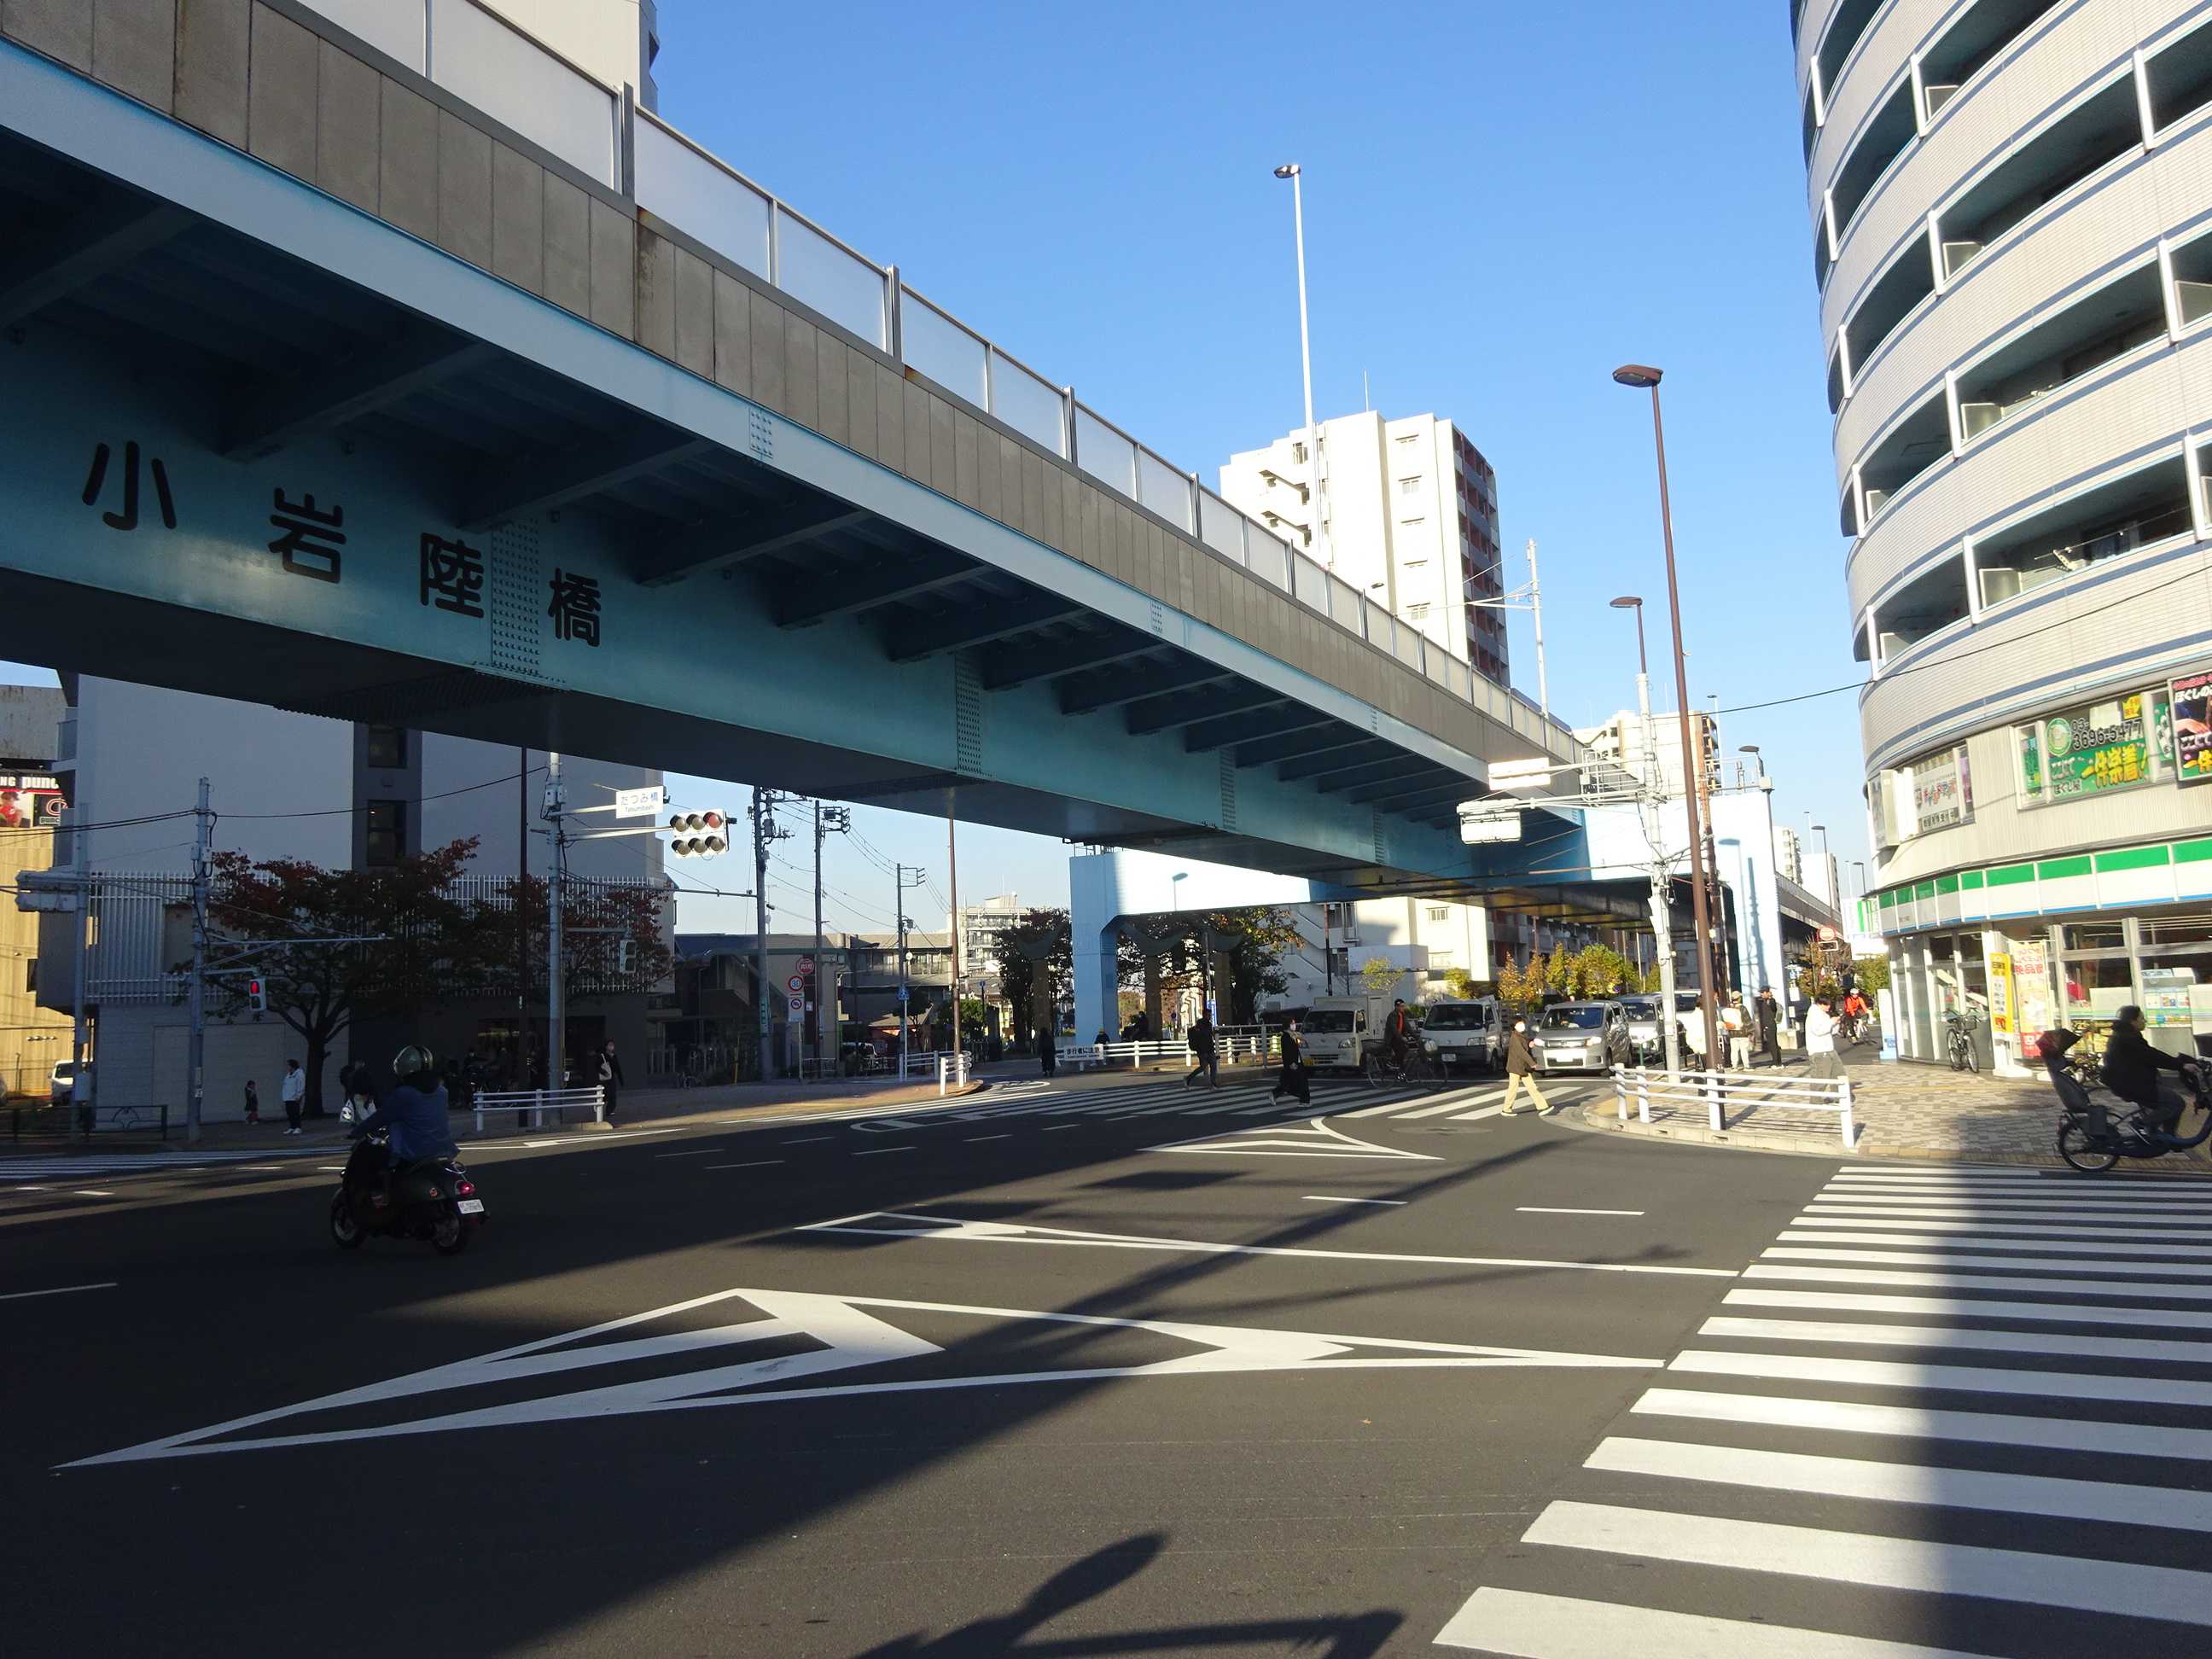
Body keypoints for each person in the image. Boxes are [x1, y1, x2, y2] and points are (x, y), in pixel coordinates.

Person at [356, 1045, 458, 1186]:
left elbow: (381, 1117)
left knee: (379, 1165)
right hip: (443, 1149)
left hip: (412, 1151)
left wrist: (357, 1131)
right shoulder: (442, 1092)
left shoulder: (403, 1094)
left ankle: (382, 1197)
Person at [2104, 1004, 2197, 1135]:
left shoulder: (2123, 1035)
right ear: (2133, 1021)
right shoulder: (2128, 1039)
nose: (2145, 1021)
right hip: (2134, 1085)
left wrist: (2179, 1063)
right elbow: (2153, 1056)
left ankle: (2159, 1138)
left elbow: (2151, 1054)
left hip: (2128, 1083)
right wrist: (2180, 1065)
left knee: (2165, 1104)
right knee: (2176, 1103)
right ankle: (2145, 1126)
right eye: (2141, 1018)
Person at [1499, 1018, 1555, 1116]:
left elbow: (1524, 1047)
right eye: (1519, 1024)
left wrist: (1530, 1044)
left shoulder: (1520, 1036)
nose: (1522, 1025)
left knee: (1531, 1087)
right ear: (1514, 1026)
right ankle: (1506, 1109)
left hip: (1522, 1066)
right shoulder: (1514, 1037)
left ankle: (1542, 1107)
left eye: (1522, 1023)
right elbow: (1521, 1053)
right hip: (1516, 1067)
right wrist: (1532, 1063)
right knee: (1514, 1088)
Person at [1269, 1020, 1310, 1104]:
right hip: (1292, 1063)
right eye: (1292, 1023)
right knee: (1295, 1082)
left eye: (1294, 1023)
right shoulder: (1286, 1037)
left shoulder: (1294, 1036)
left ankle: (1275, 1093)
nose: (1294, 1025)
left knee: (1293, 1082)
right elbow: (1287, 1052)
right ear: (1288, 1025)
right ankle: (1304, 1101)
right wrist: (1291, 1063)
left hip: (1297, 1062)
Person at [1805, 998, 1842, 1080]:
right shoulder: (1814, 1014)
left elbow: (1830, 1031)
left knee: (1839, 1074)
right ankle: (1817, 1093)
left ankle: (1841, 1093)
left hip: (1829, 1049)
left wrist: (1836, 1024)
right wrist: (1831, 1022)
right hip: (1819, 1051)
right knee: (1821, 1078)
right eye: (1826, 1005)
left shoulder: (1824, 1014)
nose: (1828, 1007)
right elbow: (1818, 1031)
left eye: (1829, 1004)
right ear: (1819, 1004)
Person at [1185, 1012, 1219, 1089]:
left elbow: (1209, 1036)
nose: (1210, 1016)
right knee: (1204, 1066)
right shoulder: (1200, 1025)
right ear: (1205, 1015)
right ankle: (1189, 1078)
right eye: (1209, 1015)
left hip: (1208, 1049)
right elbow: (1203, 1036)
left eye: (1210, 1015)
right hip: (1203, 1050)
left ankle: (1213, 1083)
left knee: (1212, 1066)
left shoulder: (1208, 1024)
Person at [1754, 987, 1784, 1069]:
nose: (1762, 994)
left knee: (1772, 1044)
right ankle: (1778, 1062)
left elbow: (1773, 1007)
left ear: (1767, 993)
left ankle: (1776, 1062)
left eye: (1763, 993)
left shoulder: (1771, 1001)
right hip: (1768, 1025)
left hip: (1770, 1025)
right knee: (1773, 1043)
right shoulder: (1763, 1002)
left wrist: (1770, 998)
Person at [597, 1039, 625, 1124]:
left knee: (613, 1095)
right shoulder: (602, 1056)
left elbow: (617, 1069)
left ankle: (609, 1111)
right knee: (605, 1095)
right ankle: (598, 1107)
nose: (611, 1047)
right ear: (606, 1046)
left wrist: (621, 1080)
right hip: (605, 1079)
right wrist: (603, 1072)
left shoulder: (614, 1056)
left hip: (611, 1078)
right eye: (610, 1045)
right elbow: (597, 1066)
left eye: (612, 1045)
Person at [1383, 998, 1414, 1072]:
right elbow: (1394, 1030)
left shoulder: (1402, 1015)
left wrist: (1416, 1036)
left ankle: (1401, 1073)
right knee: (1401, 1050)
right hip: (1392, 1038)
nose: (1403, 1008)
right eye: (1401, 1006)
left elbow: (1408, 1027)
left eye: (1404, 1006)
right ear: (1397, 1007)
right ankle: (1392, 1062)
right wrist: (1402, 1038)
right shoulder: (1392, 1016)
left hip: (1399, 1038)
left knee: (1404, 1051)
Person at [279, 1058, 306, 1135]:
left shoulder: (299, 1074)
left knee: (295, 1113)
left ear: (292, 1066)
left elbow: (301, 1085)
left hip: (295, 1097)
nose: (287, 1067)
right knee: (290, 1113)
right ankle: (292, 1127)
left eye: (288, 1065)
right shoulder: (288, 1075)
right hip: (287, 1097)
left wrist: (299, 1095)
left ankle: (298, 1127)